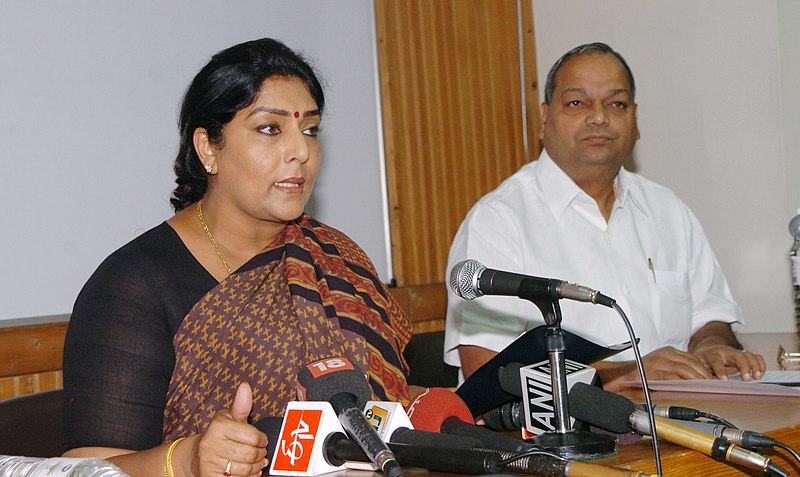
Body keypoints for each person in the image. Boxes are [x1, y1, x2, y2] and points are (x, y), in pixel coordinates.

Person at [62, 38, 412, 477]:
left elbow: (386, 398)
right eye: (270, 128)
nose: (300, 151)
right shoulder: (132, 285)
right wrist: (187, 460)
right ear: (209, 148)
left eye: (310, 130)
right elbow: (84, 468)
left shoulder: (335, 259)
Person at [444, 42, 765, 392]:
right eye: (577, 103)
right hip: (557, 442)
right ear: (544, 117)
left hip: (681, 421)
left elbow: (710, 317)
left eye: (616, 103)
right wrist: (626, 374)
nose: (599, 117)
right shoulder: (497, 222)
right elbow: (488, 376)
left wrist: (710, 347)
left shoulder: (668, 210)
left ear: (635, 119)